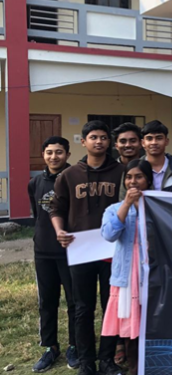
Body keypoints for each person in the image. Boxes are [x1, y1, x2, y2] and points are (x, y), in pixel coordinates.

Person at [49, 120, 125, 375]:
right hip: (81, 249)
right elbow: (56, 208)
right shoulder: (69, 175)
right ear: (84, 142)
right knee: (82, 307)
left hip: (113, 249)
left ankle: (107, 360)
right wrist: (59, 230)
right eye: (93, 137)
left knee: (110, 306)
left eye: (103, 137)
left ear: (109, 142)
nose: (99, 141)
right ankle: (86, 362)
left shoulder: (121, 172)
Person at [29, 136, 79, 372]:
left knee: (75, 301)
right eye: (49, 152)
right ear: (43, 155)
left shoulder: (75, 179)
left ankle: (74, 346)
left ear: (67, 154)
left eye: (59, 152)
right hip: (43, 252)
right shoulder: (35, 183)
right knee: (47, 302)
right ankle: (50, 347)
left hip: (71, 251)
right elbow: (37, 214)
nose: (54, 156)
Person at [100, 160, 151, 375]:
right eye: (129, 177)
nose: (133, 181)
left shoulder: (159, 206)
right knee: (131, 324)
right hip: (128, 274)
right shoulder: (114, 208)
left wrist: (141, 206)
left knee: (151, 320)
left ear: (148, 180)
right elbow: (109, 234)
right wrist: (127, 204)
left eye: (139, 177)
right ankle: (134, 367)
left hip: (151, 272)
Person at [120, 120, 172, 198]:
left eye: (159, 138)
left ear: (166, 141)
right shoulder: (132, 168)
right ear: (143, 143)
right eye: (149, 138)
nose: (154, 142)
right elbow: (123, 200)